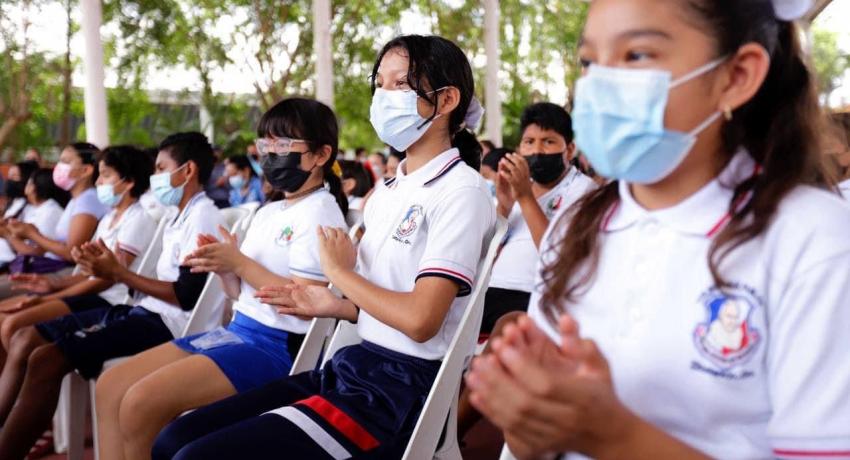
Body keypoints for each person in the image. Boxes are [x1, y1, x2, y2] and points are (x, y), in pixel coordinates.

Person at [465, 1, 850, 459]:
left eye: (637, 56)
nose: (601, 83)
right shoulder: (575, 227)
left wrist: (609, 433)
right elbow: (528, 447)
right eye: (589, 62)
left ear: (737, 76)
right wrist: (529, 414)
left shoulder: (812, 240)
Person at [151, 34, 495, 460]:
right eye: (380, 84)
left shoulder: (462, 191)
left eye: (401, 85)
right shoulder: (391, 190)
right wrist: (335, 305)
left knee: (197, 456)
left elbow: (422, 321)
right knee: (173, 440)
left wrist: (340, 275)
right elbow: (385, 305)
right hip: (354, 366)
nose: (384, 97)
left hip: (397, 391)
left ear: (445, 101)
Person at [93, 98, 350, 460]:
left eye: (283, 145)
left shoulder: (321, 214)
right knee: (110, 385)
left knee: (139, 404)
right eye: (265, 145)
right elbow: (239, 294)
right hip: (237, 332)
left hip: (276, 346)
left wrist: (240, 263)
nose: (270, 155)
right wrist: (227, 269)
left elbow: (306, 305)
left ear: (321, 155)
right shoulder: (271, 210)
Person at [0, 132, 224, 459]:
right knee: (36, 350)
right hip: (145, 311)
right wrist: (100, 270)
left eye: (161, 168)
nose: (155, 177)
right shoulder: (180, 215)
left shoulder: (202, 216)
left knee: (46, 358)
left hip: (167, 323)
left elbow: (185, 297)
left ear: (187, 171)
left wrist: (118, 274)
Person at [457, 102, 596, 441]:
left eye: (549, 142)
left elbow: (559, 257)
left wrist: (525, 198)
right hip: (489, 290)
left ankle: (444, 431)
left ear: (570, 149)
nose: (537, 150)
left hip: (537, 296)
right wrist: (505, 206)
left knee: (510, 327)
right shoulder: (517, 187)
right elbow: (485, 249)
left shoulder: (585, 192)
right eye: (529, 142)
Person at [0, 146, 156, 352]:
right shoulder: (110, 217)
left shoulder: (137, 219)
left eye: (106, 175)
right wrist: (54, 284)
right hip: (91, 292)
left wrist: (50, 296)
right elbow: (90, 273)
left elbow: (105, 279)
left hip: (107, 299)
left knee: (12, 325)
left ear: (128, 182)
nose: (99, 182)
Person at [1, 143, 108, 294]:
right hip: (50, 266)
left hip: (62, 270)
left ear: (86, 170)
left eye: (65, 162)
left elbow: (72, 253)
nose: (58, 167)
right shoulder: (77, 199)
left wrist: (32, 234)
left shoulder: (88, 200)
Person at [0, 169, 65, 275]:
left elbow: (36, 252)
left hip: (44, 267)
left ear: (35, 187)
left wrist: (7, 235)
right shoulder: (37, 209)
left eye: (29, 182)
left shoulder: (50, 213)